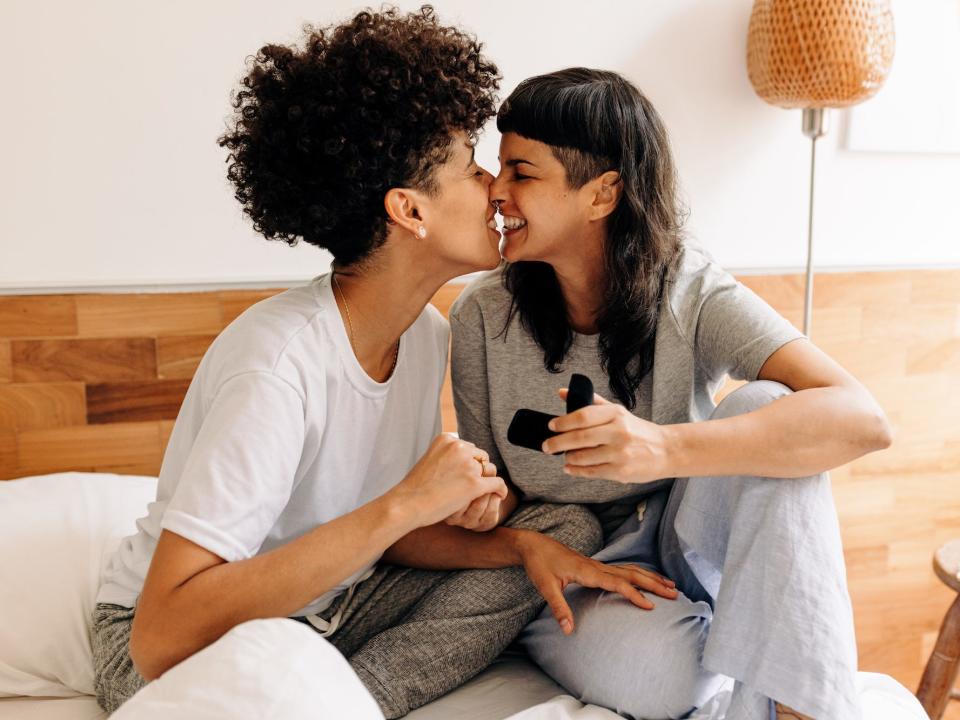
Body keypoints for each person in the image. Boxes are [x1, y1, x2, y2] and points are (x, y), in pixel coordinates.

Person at [90, 13, 674, 719]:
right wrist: (407, 503)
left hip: (329, 604)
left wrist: (510, 542)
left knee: (558, 536)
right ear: (408, 210)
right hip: (172, 647)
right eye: (471, 166)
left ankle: (351, 699)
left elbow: (375, 534)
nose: (496, 186)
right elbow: (162, 636)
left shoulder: (425, 334)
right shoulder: (277, 368)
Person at [449, 67, 894, 720]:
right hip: (579, 565)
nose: (496, 191)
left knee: (768, 404)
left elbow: (863, 418)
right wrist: (481, 506)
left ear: (602, 194)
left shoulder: (688, 289)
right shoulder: (480, 316)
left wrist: (662, 446)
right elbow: (498, 495)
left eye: (521, 171)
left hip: (688, 536)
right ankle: (767, 669)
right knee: (675, 682)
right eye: (498, 167)